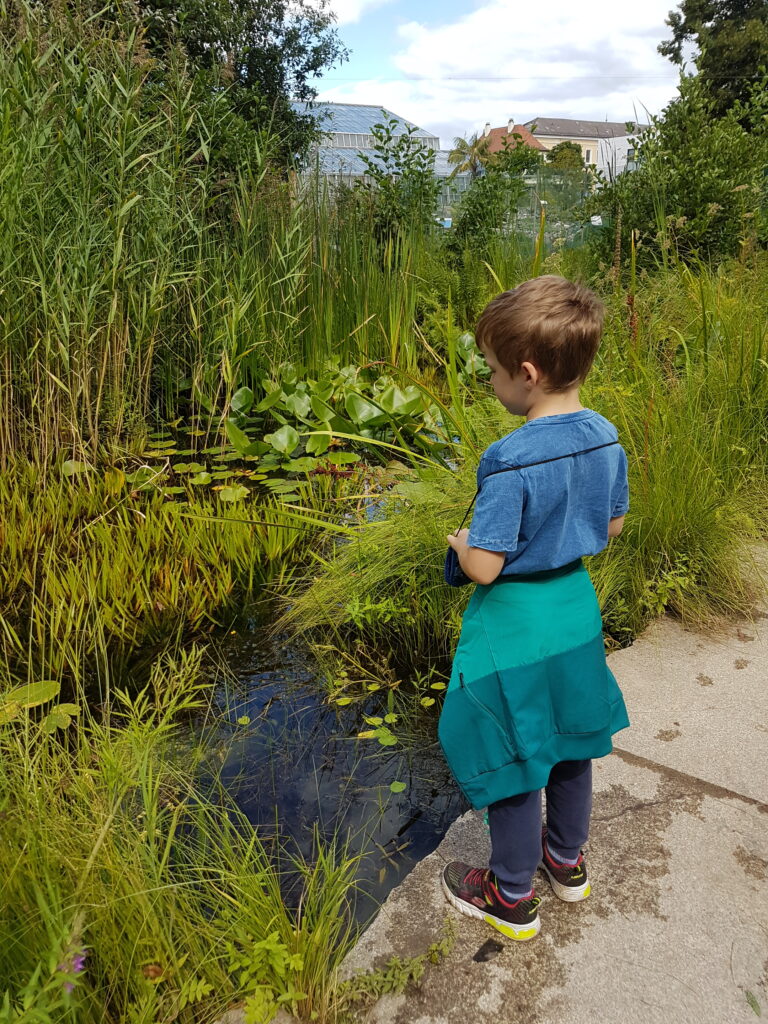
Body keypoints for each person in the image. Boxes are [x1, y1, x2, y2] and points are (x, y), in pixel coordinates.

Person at [439, 275, 630, 941]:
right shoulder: (606, 434)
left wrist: (462, 544)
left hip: (517, 625)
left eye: (492, 371)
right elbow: (611, 530)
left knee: (516, 753)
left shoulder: (510, 457)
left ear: (526, 373)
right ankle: (566, 863)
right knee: (571, 742)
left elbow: (486, 566)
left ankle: (512, 895)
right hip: (575, 614)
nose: (490, 382)